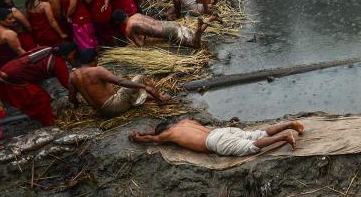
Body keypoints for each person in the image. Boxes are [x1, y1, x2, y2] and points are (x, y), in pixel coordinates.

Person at [129, 118, 303, 157]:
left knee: (251, 146)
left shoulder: (168, 134)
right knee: (260, 133)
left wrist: (139, 138)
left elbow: (153, 139)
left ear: (163, 131)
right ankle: (289, 124)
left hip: (215, 142)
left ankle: (284, 137)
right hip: (221, 131)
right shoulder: (185, 121)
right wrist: (143, 133)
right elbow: (155, 133)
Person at [0, 43, 77, 127]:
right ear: (65, 54)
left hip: (8, 69)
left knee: (40, 97)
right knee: (40, 98)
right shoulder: (58, 63)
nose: (73, 57)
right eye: (73, 54)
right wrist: (79, 92)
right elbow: (67, 84)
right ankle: (49, 123)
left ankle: (46, 119)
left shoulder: (47, 49)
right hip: (13, 78)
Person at [69, 53, 168, 116]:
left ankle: (148, 96)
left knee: (129, 89)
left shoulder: (73, 76)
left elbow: (72, 99)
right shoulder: (97, 70)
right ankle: (160, 99)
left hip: (100, 112)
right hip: (113, 107)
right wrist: (145, 87)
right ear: (95, 59)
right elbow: (120, 82)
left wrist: (78, 107)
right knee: (140, 78)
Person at [116, 11, 208, 49]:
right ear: (126, 14)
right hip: (169, 24)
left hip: (168, 32)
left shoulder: (129, 29)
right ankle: (209, 20)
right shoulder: (136, 15)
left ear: (119, 23)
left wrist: (134, 44)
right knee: (192, 36)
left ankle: (200, 26)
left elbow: (140, 45)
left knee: (195, 45)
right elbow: (147, 25)